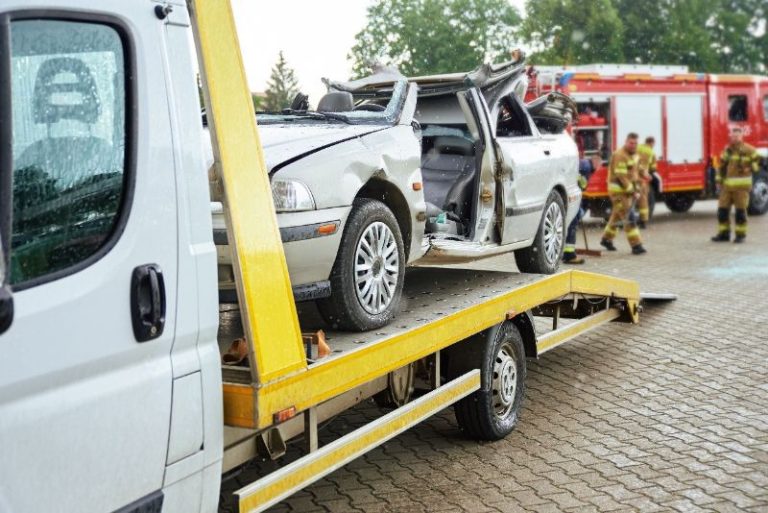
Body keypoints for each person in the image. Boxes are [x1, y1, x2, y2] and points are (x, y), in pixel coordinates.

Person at [600, 133, 647, 255]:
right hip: (618, 192)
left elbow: (636, 169)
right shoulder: (620, 155)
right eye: (631, 143)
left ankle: (606, 239)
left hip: (627, 192)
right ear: (626, 142)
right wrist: (633, 190)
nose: (633, 145)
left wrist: (644, 174)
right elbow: (622, 177)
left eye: (635, 143)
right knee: (629, 217)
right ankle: (636, 245)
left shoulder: (634, 154)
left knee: (616, 216)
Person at [711, 127, 760, 243]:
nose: (734, 138)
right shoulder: (728, 150)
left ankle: (740, 235)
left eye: (736, 136)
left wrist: (749, 168)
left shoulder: (749, 150)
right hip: (727, 187)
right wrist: (718, 180)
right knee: (722, 211)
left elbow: (759, 163)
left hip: (742, 188)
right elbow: (722, 166)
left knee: (740, 212)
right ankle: (724, 234)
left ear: (742, 136)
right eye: (732, 136)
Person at [563, 155, 602, 264]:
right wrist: (583, 189)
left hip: (567, 194)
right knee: (573, 223)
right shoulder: (586, 166)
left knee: (570, 223)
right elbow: (582, 182)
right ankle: (569, 255)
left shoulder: (583, 163)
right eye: (599, 165)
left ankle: (565, 252)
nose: (598, 168)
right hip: (572, 196)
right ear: (595, 161)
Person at [636, 136, 657, 229]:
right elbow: (653, 167)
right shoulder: (651, 152)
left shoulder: (637, 147)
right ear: (651, 143)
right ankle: (643, 221)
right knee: (643, 199)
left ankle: (630, 219)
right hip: (643, 178)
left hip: (633, 177)